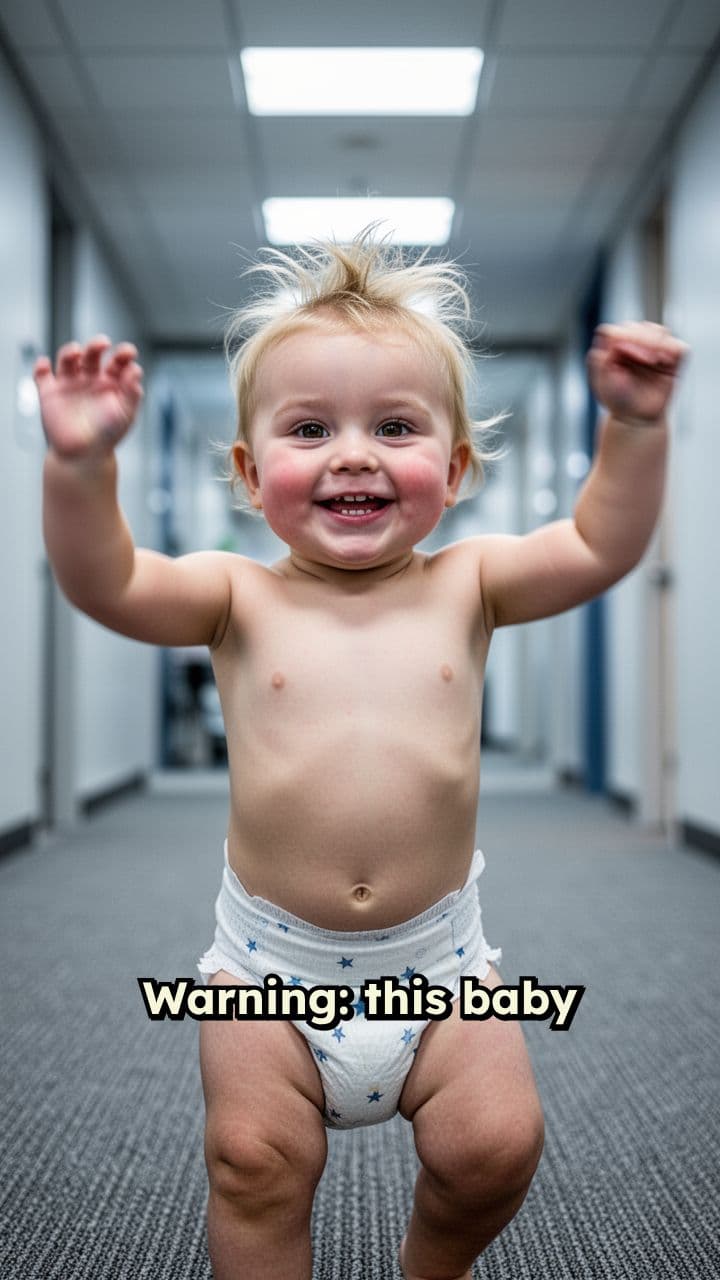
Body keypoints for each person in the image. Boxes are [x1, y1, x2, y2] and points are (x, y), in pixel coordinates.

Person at [36, 232, 687, 1280]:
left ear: (458, 467)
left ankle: (427, 1267)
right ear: (250, 474)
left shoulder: (471, 582)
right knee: (253, 1160)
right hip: (264, 968)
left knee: (496, 1145)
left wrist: (634, 426)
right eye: (309, 427)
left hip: (440, 965)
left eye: (396, 426)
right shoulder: (233, 594)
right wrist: (80, 464)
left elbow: (600, 543)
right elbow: (105, 580)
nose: (353, 453)